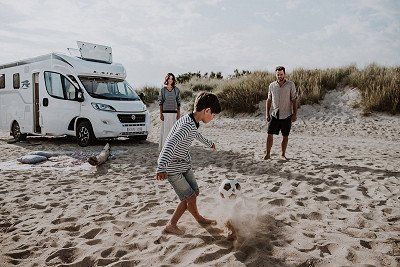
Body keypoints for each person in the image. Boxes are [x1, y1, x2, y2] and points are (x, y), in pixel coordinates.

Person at [156, 92, 221, 235]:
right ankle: (171, 225)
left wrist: (208, 143)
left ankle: (198, 217)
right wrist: (161, 167)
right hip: (173, 167)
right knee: (189, 197)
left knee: (194, 192)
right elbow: (170, 144)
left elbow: (195, 134)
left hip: (184, 164)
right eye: (213, 115)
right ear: (207, 111)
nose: (213, 118)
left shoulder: (192, 121)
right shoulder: (186, 126)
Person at [265, 66, 298, 160]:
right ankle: (268, 154)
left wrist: (295, 113)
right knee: (269, 134)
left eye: (281, 74)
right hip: (275, 114)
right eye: (278, 74)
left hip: (286, 114)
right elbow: (269, 100)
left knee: (285, 135)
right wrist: (267, 114)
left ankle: (282, 154)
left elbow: (294, 100)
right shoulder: (271, 85)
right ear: (276, 74)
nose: (280, 76)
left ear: (284, 74)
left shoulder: (290, 84)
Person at [158, 73, 181, 150]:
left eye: (172, 79)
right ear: (166, 79)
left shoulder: (176, 90)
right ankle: (165, 148)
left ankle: (173, 148)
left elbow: (178, 103)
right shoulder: (163, 90)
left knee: (173, 132)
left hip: (174, 114)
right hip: (165, 113)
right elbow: (160, 103)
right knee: (165, 131)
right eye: (169, 78)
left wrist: (178, 113)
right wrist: (161, 114)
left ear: (173, 80)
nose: (170, 80)